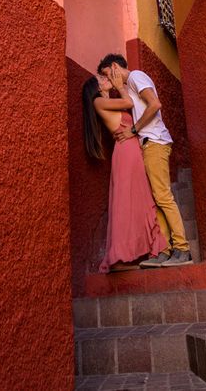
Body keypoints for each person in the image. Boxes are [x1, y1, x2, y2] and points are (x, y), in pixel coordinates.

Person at [97, 54, 192, 268]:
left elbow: (154, 104)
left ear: (114, 67)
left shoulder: (136, 76)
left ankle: (183, 249)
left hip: (155, 142)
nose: (110, 83)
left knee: (163, 197)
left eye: (108, 76)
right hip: (147, 145)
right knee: (155, 199)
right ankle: (165, 250)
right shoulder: (129, 86)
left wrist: (133, 130)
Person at [82, 65, 167, 273]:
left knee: (138, 200)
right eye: (100, 78)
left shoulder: (106, 101)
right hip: (126, 153)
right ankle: (119, 258)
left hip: (130, 151)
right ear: (96, 87)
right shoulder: (99, 101)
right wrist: (120, 87)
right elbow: (129, 102)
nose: (104, 79)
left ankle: (140, 250)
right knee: (127, 203)